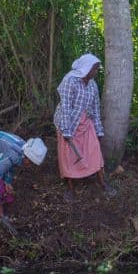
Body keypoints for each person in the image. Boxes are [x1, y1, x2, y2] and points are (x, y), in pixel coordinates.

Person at [54, 53, 115, 201]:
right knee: (68, 155)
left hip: (86, 123)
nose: (95, 72)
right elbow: (65, 107)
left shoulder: (93, 84)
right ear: (87, 68)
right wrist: (66, 130)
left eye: (97, 69)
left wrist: (98, 129)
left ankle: (102, 182)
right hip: (67, 121)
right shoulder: (70, 80)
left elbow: (95, 108)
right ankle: (70, 188)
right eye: (94, 69)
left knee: (94, 151)